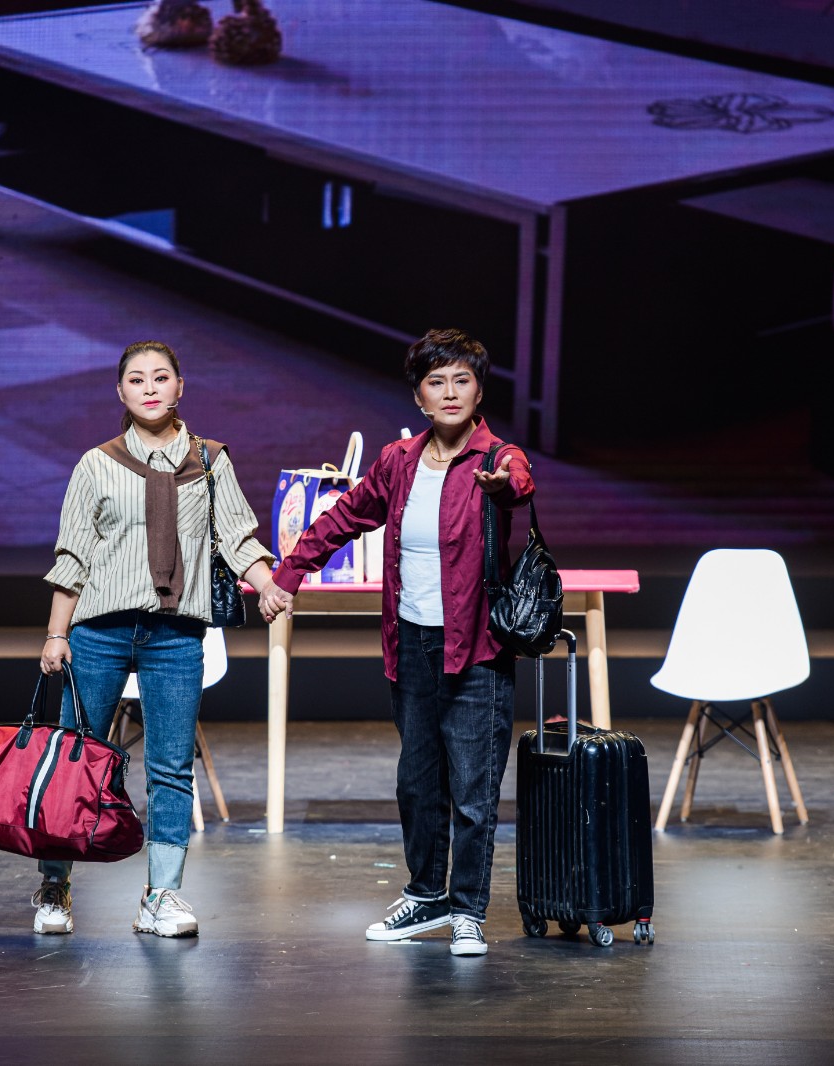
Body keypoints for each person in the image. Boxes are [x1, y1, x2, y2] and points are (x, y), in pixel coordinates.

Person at [272, 328, 534, 957]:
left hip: (477, 649)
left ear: (478, 391)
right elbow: (346, 515)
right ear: (419, 396)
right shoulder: (399, 461)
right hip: (411, 644)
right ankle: (426, 896)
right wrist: (292, 569)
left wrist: (502, 486)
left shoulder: (498, 456)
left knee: (473, 789)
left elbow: (520, 484)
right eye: (436, 382)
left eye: (462, 380)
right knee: (417, 783)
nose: (450, 392)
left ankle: (467, 909)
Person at [34, 340, 293, 937]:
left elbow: (238, 537)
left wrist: (267, 586)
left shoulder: (210, 460)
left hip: (175, 635)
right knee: (75, 759)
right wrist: (55, 633)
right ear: (120, 392)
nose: (149, 388)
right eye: (136, 379)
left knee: (172, 768)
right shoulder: (96, 464)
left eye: (160, 377)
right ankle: (54, 885)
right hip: (99, 633)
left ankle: (162, 894)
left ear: (180, 386)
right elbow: (73, 557)